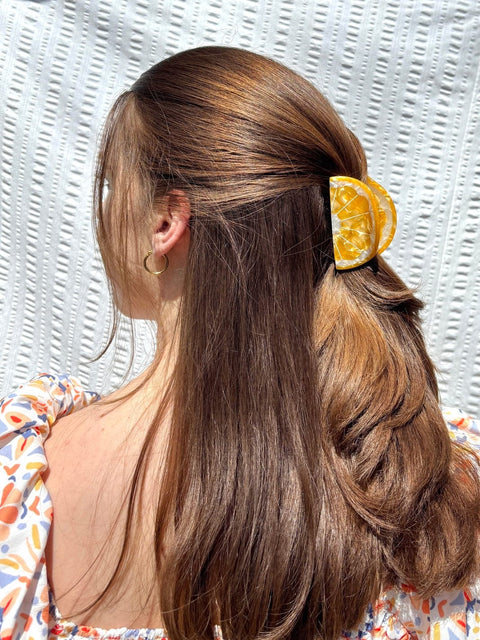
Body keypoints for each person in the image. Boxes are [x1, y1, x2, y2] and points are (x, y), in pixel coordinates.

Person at [0, 45, 479, 640]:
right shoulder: (426, 482)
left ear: (165, 223)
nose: (105, 213)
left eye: (112, 186)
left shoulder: (21, 474)